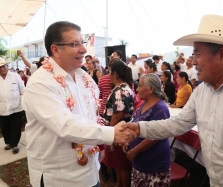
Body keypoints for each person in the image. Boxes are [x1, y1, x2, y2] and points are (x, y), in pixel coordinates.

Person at [121, 15, 223, 186]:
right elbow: (177, 124)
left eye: (197, 53)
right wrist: (138, 128)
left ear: (222, 54)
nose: (193, 61)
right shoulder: (202, 91)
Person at [21, 21, 136, 187]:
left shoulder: (84, 77)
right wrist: (111, 134)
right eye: (75, 44)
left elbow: (91, 114)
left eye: (82, 43)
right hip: (61, 177)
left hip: (90, 170)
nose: (83, 49)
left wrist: (100, 145)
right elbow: (65, 125)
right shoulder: (40, 83)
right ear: (55, 49)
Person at [127, 73, 170, 187]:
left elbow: (155, 137)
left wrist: (135, 150)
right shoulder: (144, 103)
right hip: (140, 163)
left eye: (140, 86)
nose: (137, 89)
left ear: (151, 89)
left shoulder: (160, 108)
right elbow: (136, 123)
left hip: (153, 166)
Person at [102, 60, 134, 187]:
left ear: (115, 73)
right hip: (118, 129)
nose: (108, 75)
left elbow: (119, 114)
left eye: (109, 72)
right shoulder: (121, 88)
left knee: (122, 164)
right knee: (118, 163)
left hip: (119, 130)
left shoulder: (121, 90)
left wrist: (110, 131)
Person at [0, 57, 25, 154]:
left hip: (16, 107)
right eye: (0, 67)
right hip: (2, 108)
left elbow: (23, 90)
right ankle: (8, 143)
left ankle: (15, 145)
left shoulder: (15, 76)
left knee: (15, 126)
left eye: (3, 66)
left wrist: (23, 102)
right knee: (5, 127)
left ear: (7, 66)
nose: (2, 69)